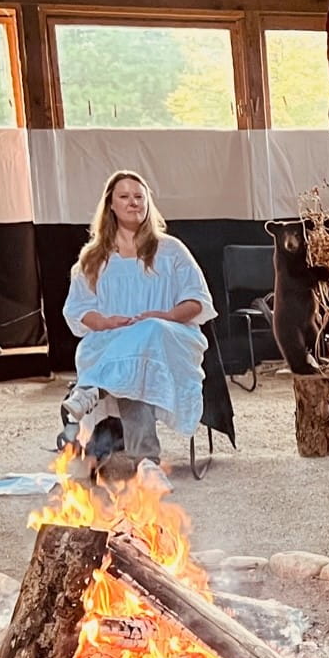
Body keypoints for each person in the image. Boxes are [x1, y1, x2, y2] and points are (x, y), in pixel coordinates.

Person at [61, 171, 217, 462]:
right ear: (111, 204)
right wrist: (107, 322)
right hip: (111, 340)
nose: (133, 202)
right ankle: (146, 460)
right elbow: (80, 309)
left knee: (149, 333)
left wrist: (166, 315)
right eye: (124, 196)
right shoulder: (94, 257)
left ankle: (92, 386)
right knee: (133, 369)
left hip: (169, 336)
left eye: (139, 196)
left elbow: (197, 301)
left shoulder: (170, 250)